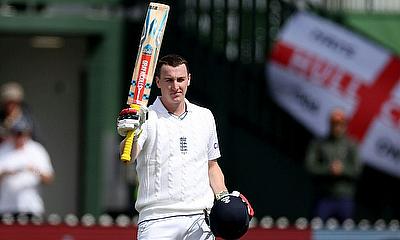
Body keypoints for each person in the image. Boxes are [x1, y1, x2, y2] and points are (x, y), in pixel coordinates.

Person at [117, 54, 252, 239]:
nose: (175, 86)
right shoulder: (146, 117)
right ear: (157, 82)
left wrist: (223, 198)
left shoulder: (204, 116)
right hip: (157, 220)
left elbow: (211, 166)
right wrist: (132, 131)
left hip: (199, 218)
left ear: (189, 79)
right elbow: (128, 157)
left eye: (180, 79)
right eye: (169, 80)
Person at [305, 108, 361, 222]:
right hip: (324, 196)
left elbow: (357, 170)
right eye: (334, 124)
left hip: (344, 197)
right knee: (316, 227)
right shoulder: (319, 143)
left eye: (340, 124)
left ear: (345, 125)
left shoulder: (351, 145)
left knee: (346, 232)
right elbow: (310, 166)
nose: (337, 127)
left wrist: (342, 169)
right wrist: (329, 169)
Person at [0, 117, 54, 217]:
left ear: (28, 134)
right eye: (16, 133)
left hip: (31, 207)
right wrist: (6, 173)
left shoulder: (37, 150)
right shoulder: (3, 149)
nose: (19, 137)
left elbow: (49, 178)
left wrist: (33, 170)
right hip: (6, 208)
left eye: (22, 134)